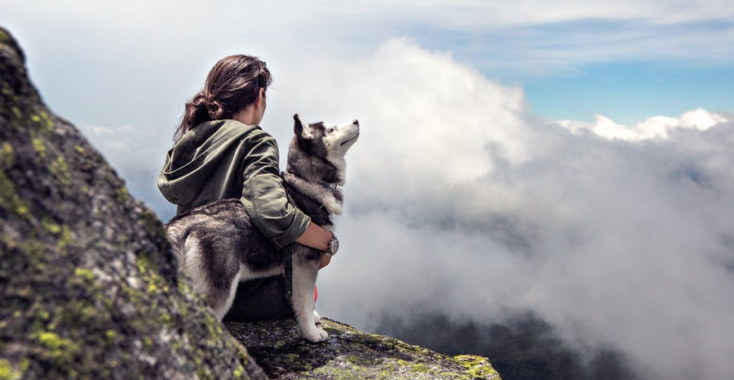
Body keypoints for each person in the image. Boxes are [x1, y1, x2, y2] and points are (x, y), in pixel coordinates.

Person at [157, 55, 333, 321]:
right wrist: (326, 241)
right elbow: (271, 209)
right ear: (260, 96)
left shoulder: (190, 142)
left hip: (192, 286)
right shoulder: (255, 141)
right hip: (241, 296)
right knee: (308, 288)